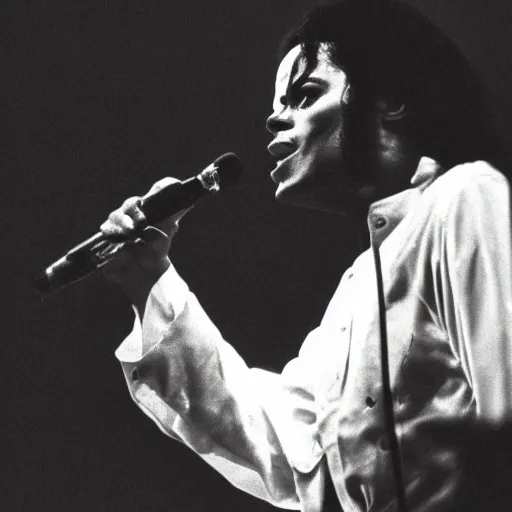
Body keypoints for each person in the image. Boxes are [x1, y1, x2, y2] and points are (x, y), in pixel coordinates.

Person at [100, 0, 512, 511]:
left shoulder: (465, 198)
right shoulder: (359, 286)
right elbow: (275, 441)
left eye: (304, 95)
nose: (275, 119)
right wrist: (150, 281)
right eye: (277, 105)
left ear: (392, 101)